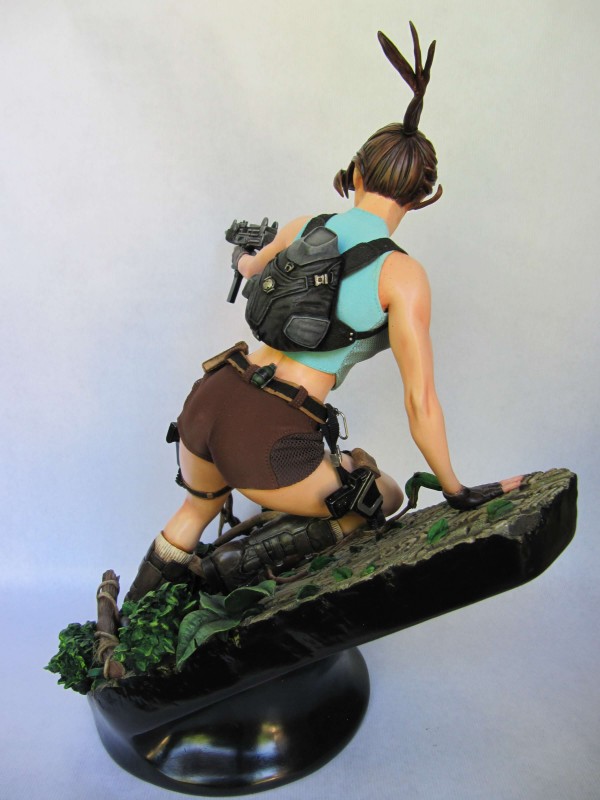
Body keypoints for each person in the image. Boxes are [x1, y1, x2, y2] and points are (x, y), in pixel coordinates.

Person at [126, 23, 521, 601]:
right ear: (421, 197)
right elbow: (420, 402)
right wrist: (456, 489)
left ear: (356, 172)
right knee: (379, 495)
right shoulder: (403, 275)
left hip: (210, 397)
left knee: (195, 509)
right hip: (268, 435)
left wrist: (243, 255)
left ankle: (132, 621)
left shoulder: (305, 225)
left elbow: (249, 267)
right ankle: (229, 571)